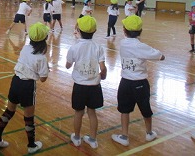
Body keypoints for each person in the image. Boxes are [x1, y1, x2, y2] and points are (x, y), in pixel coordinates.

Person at [0, 22, 49, 154]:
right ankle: (31, 145)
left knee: (9, 111)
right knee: (29, 117)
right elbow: (43, 78)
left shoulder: (25, 48)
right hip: (28, 86)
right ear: (45, 39)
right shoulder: (41, 58)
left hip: (15, 81)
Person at [112, 15, 165, 147]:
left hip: (125, 82)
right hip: (140, 83)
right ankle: (149, 133)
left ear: (124, 31)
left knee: (124, 110)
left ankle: (124, 136)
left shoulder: (122, 43)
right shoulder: (142, 47)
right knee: (146, 109)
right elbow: (160, 56)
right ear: (140, 31)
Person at [66, 16, 107, 149]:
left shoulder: (74, 47)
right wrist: (103, 76)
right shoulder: (98, 47)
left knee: (78, 113)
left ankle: (77, 138)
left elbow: (67, 65)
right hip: (94, 86)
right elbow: (103, 68)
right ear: (94, 31)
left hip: (80, 86)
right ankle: (93, 140)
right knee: (92, 112)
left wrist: (69, 63)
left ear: (78, 30)